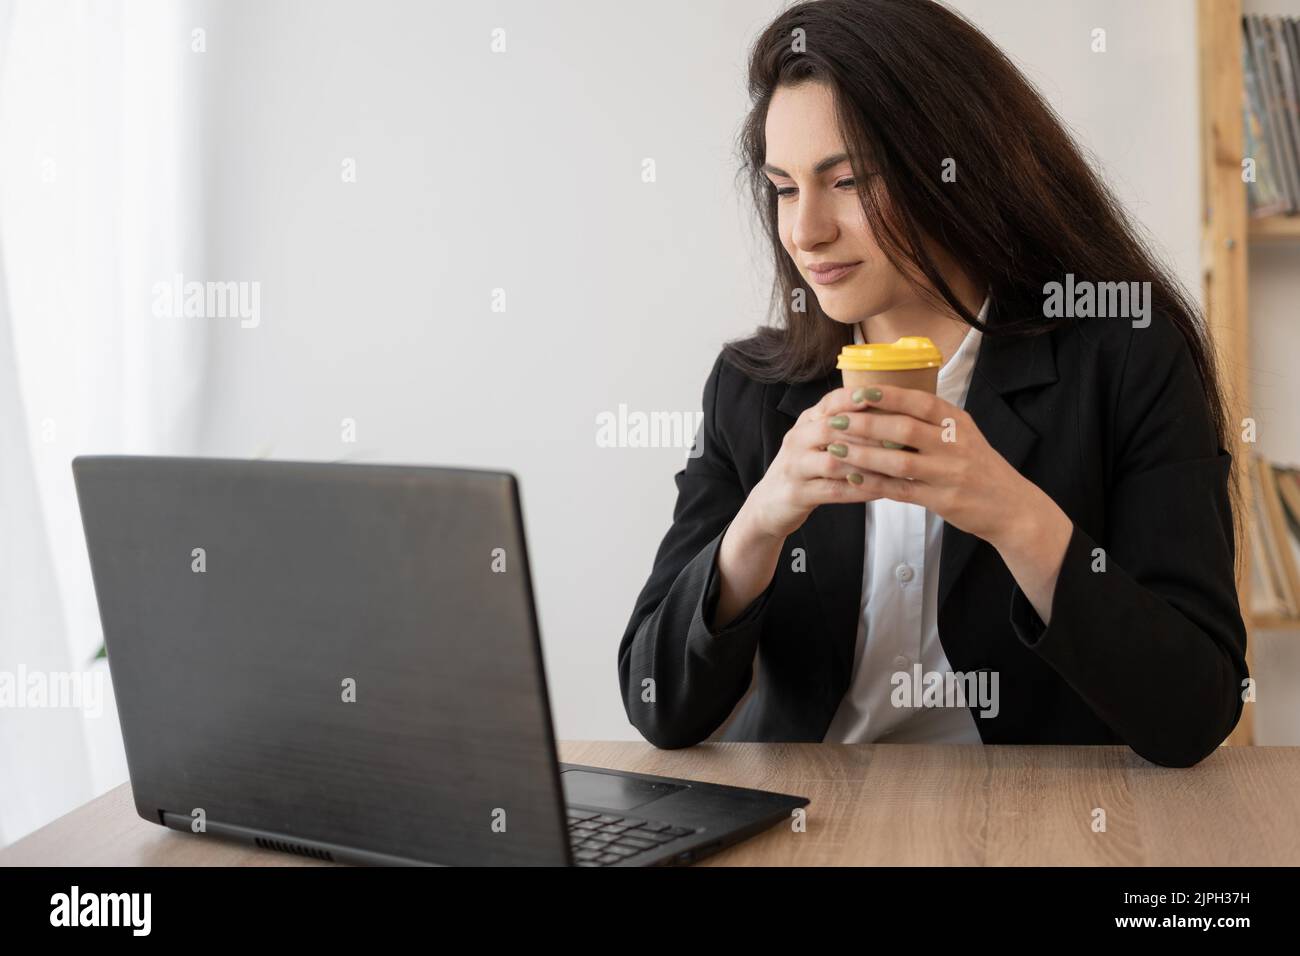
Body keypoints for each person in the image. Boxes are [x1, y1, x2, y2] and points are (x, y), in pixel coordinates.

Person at [617, 0, 1247, 768]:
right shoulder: (750, 388)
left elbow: (1196, 710)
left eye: (845, 181)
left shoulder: (1124, 358)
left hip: (1037, 827)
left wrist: (1019, 518)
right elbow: (659, 708)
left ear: (955, 169)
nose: (805, 231)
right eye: (784, 188)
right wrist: (756, 528)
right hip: (810, 824)